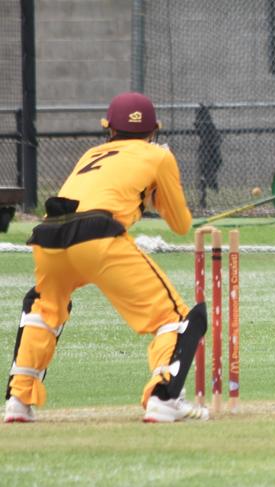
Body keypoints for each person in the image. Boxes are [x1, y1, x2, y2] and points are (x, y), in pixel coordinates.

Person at [4, 92, 208, 423]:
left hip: (50, 235)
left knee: (44, 308)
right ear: (154, 130)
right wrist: (156, 190)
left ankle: (18, 400)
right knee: (178, 319)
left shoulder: (92, 153)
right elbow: (181, 224)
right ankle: (164, 397)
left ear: (108, 129)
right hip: (97, 236)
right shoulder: (158, 157)